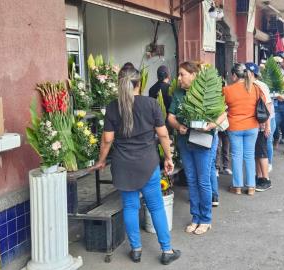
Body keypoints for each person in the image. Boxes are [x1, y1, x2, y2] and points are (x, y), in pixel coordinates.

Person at [92, 67, 181, 264]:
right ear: (139, 83)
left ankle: (136, 249)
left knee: (130, 207)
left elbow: (107, 140)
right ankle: (166, 250)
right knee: (156, 206)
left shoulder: (113, 107)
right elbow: (163, 134)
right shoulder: (150, 104)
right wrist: (168, 157)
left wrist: (100, 161)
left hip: (122, 166)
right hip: (147, 165)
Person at [168, 61, 226, 235]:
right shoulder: (178, 93)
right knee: (191, 179)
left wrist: (209, 126)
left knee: (203, 180)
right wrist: (179, 127)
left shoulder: (207, 90)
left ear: (193, 75)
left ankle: (206, 219)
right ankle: (195, 217)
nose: (179, 78)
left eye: (182, 74)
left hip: (204, 141)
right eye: (179, 74)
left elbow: (224, 113)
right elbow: (170, 117)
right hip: (185, 142)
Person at [223, 63, 266, 195]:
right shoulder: (255, 88)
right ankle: (251, 187)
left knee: (236, 155)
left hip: (234, 126)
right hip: (252, 126)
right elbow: (263, 104)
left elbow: (221, 107)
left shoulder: (227, 90)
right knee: (249, 155)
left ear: (235, 75)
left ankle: (237, 186)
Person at [247, 62, 273, 191]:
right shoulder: (251, 85)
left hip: (261, 125)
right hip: (255, 125)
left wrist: (267, 126)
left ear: (251, 73)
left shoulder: (260, 86)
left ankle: (266, 179)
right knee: (257, 153)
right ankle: (259, 176)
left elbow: (267, 106)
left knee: (262, 153)